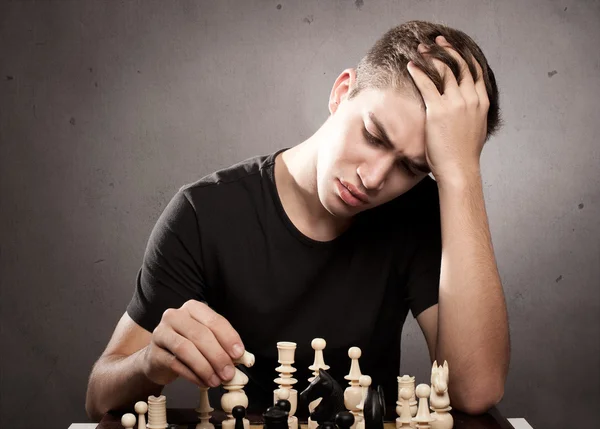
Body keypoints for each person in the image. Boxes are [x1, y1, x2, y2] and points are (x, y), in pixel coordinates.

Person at [85, 20, 510, 421]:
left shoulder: (419, 213)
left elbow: (475, 390)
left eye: (412, 167)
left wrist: (461, 173)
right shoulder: (204, 212)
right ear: (342, 92)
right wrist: (151, 362)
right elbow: (98, 399)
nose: (374, 177)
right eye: (374, 135)